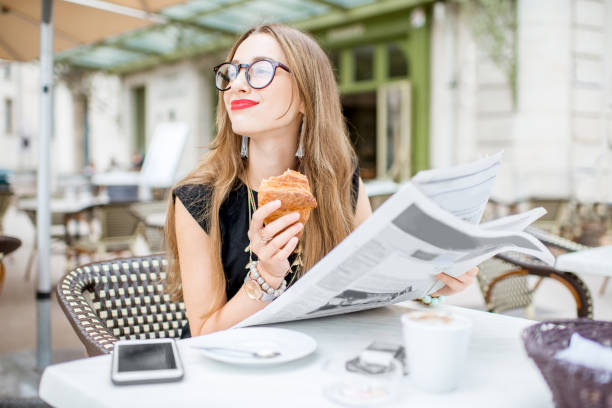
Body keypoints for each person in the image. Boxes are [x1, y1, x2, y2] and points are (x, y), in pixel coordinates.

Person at [165, 24, 478, 338]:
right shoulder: (197, 197)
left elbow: (370, 284)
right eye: (232, 73)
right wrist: (265, 277)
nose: (237, 86)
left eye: (259, 71)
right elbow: (203, 333)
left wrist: (431, 282)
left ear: (306, 96)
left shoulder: (341, 181)